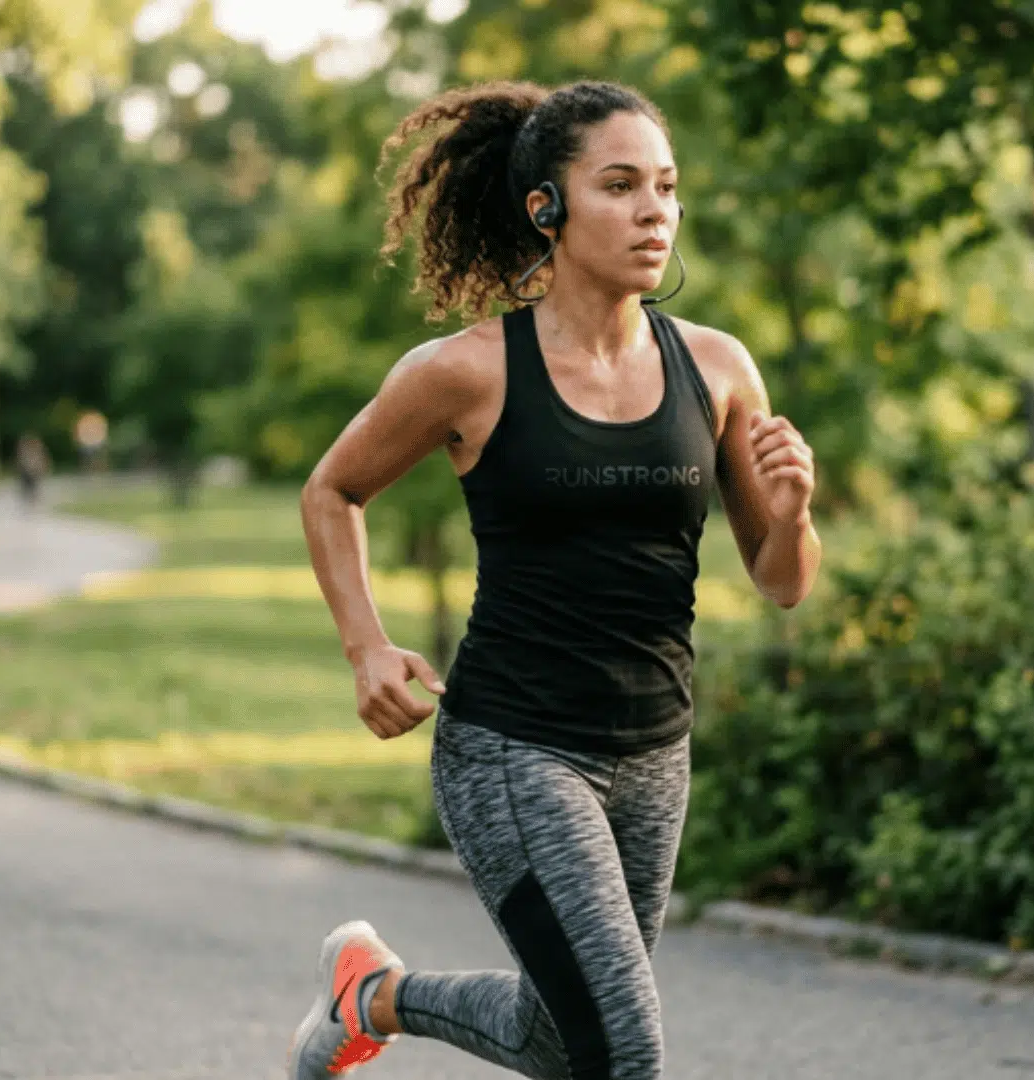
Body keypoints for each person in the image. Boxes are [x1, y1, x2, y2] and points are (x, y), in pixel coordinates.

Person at [291, 80, 822, 1080]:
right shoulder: (467, 371)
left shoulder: (717, 369)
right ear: (547, 208)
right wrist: (365, 646)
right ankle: (371, 997)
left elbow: (782, 581)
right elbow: (333, 490)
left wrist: (793, 517)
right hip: (513, 747)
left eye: (665, 186)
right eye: (619, 185)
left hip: (656, 755)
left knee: (563, 1036)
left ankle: (373, 996)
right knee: (627, 1054)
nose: (654, 209)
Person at [15, 433, 50, 513]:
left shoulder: (37, 451)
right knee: (27, 489)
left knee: (33, 489)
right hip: (27, 473)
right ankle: (29, 505)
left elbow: (43, 461)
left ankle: (32, 504)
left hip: (34, 473)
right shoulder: (25, 451)